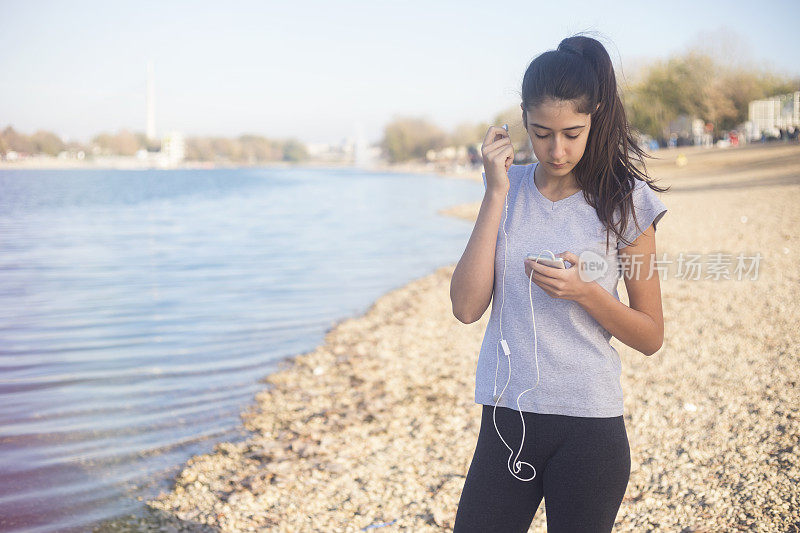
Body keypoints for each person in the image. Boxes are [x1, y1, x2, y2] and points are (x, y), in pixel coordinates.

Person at [449, 33, 669, 532]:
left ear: (595, 118)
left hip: (589, 430)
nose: (557, 149)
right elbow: (465, 307)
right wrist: (495, 193)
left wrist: (585, 292)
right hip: (506, 423)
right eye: (541, 133)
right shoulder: (508, 189)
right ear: (522, 121)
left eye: (572, 132)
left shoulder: (626, 202)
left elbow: (651, 335)